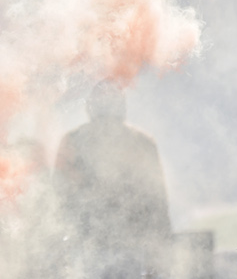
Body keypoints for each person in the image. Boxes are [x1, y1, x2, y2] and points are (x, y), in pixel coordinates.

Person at [53, 81, 172, 279]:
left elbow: (57, 197)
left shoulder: (72, 141)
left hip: (86, 246)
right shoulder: (141, 142)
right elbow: (158, 204)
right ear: (122, 106)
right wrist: (159, 254)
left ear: (90, 107)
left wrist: (57, 247)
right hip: (130, 245)